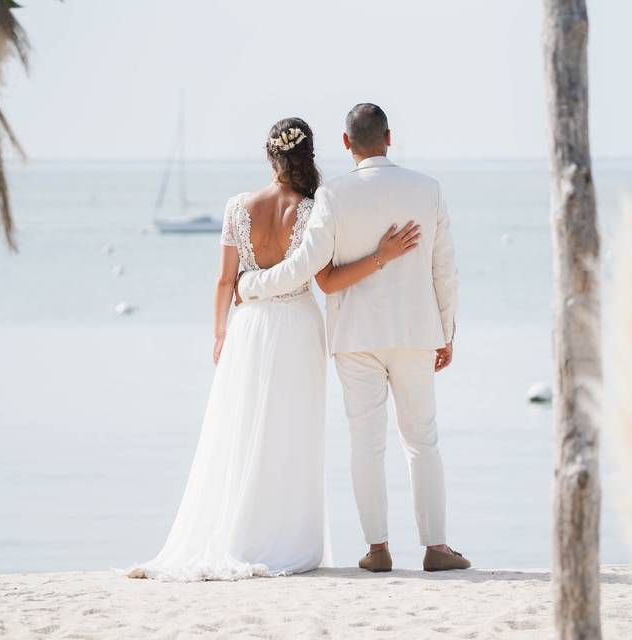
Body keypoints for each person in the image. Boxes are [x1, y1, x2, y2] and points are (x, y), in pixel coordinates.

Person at [128, 117, 419, 581]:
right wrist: (382, 256)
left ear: (270, 156)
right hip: (298, 326)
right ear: (309, 155)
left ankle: (238, 533)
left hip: (248, 327)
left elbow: (226, 279)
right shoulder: (311, 209)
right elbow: (324, 281)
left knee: (240, 429)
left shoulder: (237, 206)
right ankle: (280, 538)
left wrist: (220, 332)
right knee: (290, 434)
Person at [237, 104, 469, 572]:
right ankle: (437, 548)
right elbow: (445, 271)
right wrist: (446, 332)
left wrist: (250, 285)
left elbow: (308, 268)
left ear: (346, 144)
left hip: (355, 338)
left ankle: (378, 548)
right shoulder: (428, 189)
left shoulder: (333, 196)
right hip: (415, 333)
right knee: (422, 440)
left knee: (367, 443)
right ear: (390, 136)